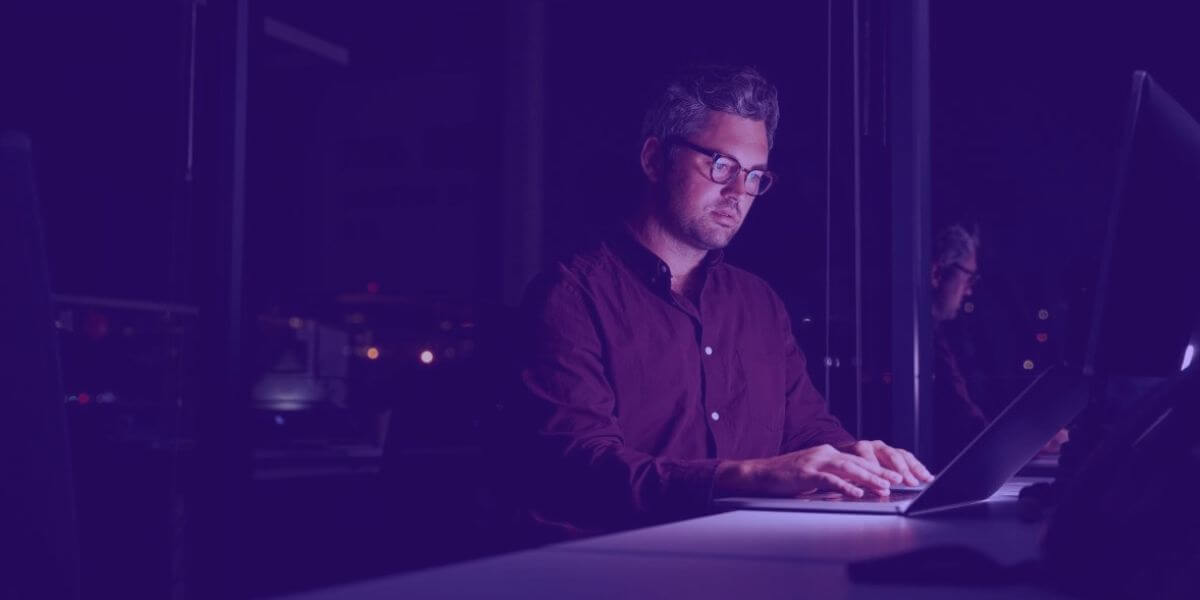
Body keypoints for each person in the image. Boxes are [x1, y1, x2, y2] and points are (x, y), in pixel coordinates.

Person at [513, 65, 932, 540]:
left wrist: (857, 458)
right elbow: (580, 468)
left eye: (754, 176)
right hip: (609, 568)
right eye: (721, 165)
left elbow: (805, 431)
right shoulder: (571, 296)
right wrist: (749, 475)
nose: (738, 192)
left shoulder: (759, 304)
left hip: (746, 559)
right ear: (654, 159)